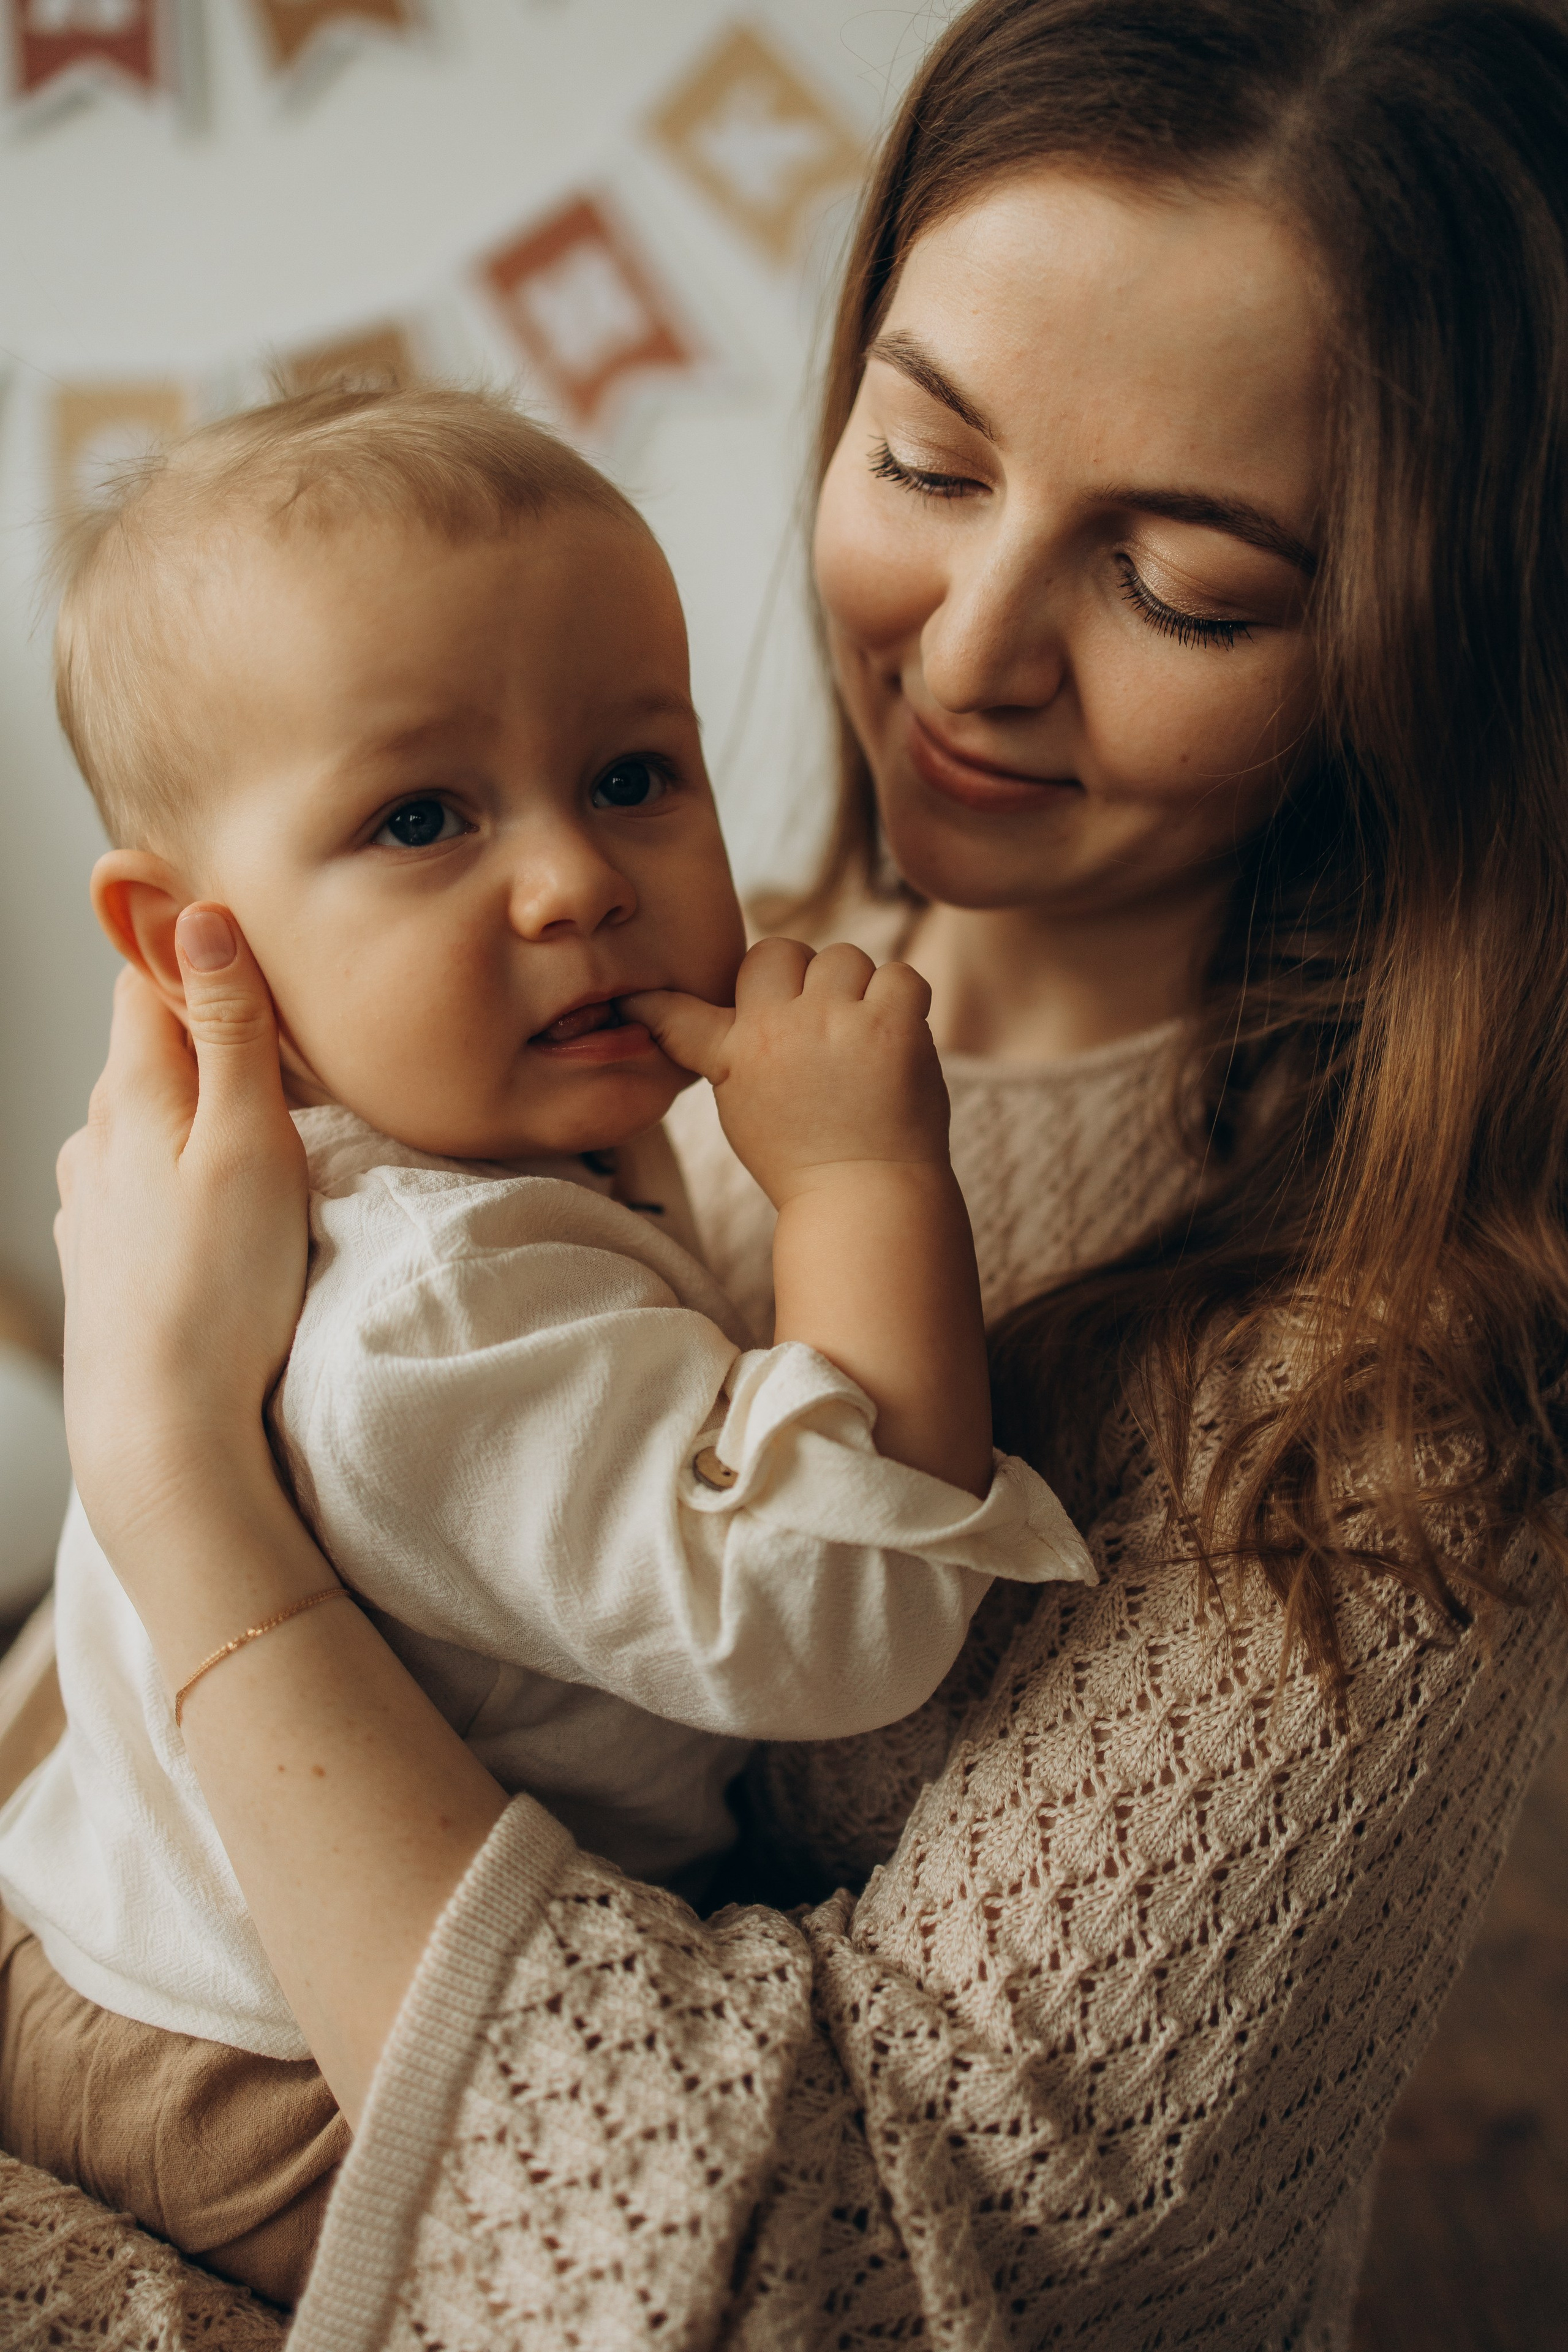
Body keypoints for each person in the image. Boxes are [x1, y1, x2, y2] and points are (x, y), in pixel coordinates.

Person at [15, 0, 1568, 2343]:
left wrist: (170, 1474)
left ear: (1443, 644)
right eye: (930, 464)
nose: (966, 652)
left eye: (1190, 589)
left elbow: (841, 2278)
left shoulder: (1399, 1397)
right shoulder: (609, 1024)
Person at [0, 385, 1091, 2305]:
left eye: (632, 775)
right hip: (269, 2071)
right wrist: (856, 1185)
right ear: (195, 943)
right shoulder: (432, 1302)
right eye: (421, 817)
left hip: (140, 1931)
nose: (575, 877)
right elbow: (837, 1619)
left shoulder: (451, 1156)